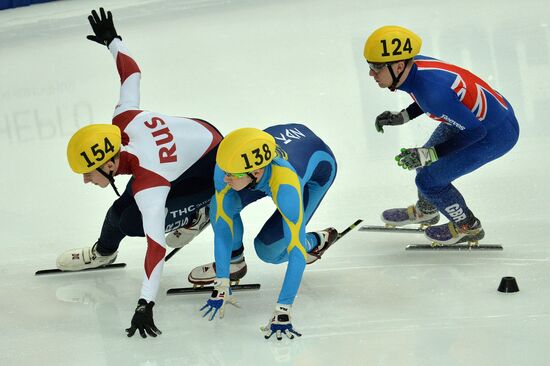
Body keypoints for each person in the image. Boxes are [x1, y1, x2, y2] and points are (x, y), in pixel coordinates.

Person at [57, 8, 223, 338]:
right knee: (117, 211)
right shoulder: (122, 120)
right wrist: (112, 42)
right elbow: (131, 75)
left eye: (89, 172)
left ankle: (198, 214)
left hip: (208, 169)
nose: (86, 179)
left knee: (133, 221)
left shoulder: (149, 183)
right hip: (194, 140)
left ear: (108, 163)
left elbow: (156, 247)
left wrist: (145, 302)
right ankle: (103, 253)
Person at [363, 25, 519, 244]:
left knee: (428, 180)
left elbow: (474, 130)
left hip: (493, 133)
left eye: (375, 67)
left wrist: (429, 154)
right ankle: (428, 208)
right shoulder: (414, 66)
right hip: (477, 116)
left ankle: (467, 226)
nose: (371, 73)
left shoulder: (433, 93)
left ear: (398, 66)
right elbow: (431, 97)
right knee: (423, 163)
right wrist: (404, 116)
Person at [194, 125, 338, 340]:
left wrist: (283, 309)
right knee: (219, 206)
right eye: (225, 171)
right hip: (283, 147)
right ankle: (236, 261)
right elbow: (223, 226)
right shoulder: (226, 168)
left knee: (270, 251)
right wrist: (222, 280)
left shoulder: (286, 184)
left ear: (257, 171)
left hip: (316, 169)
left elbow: (295, 252)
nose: (225, 178)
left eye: (232, 175)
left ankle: (316, 241)